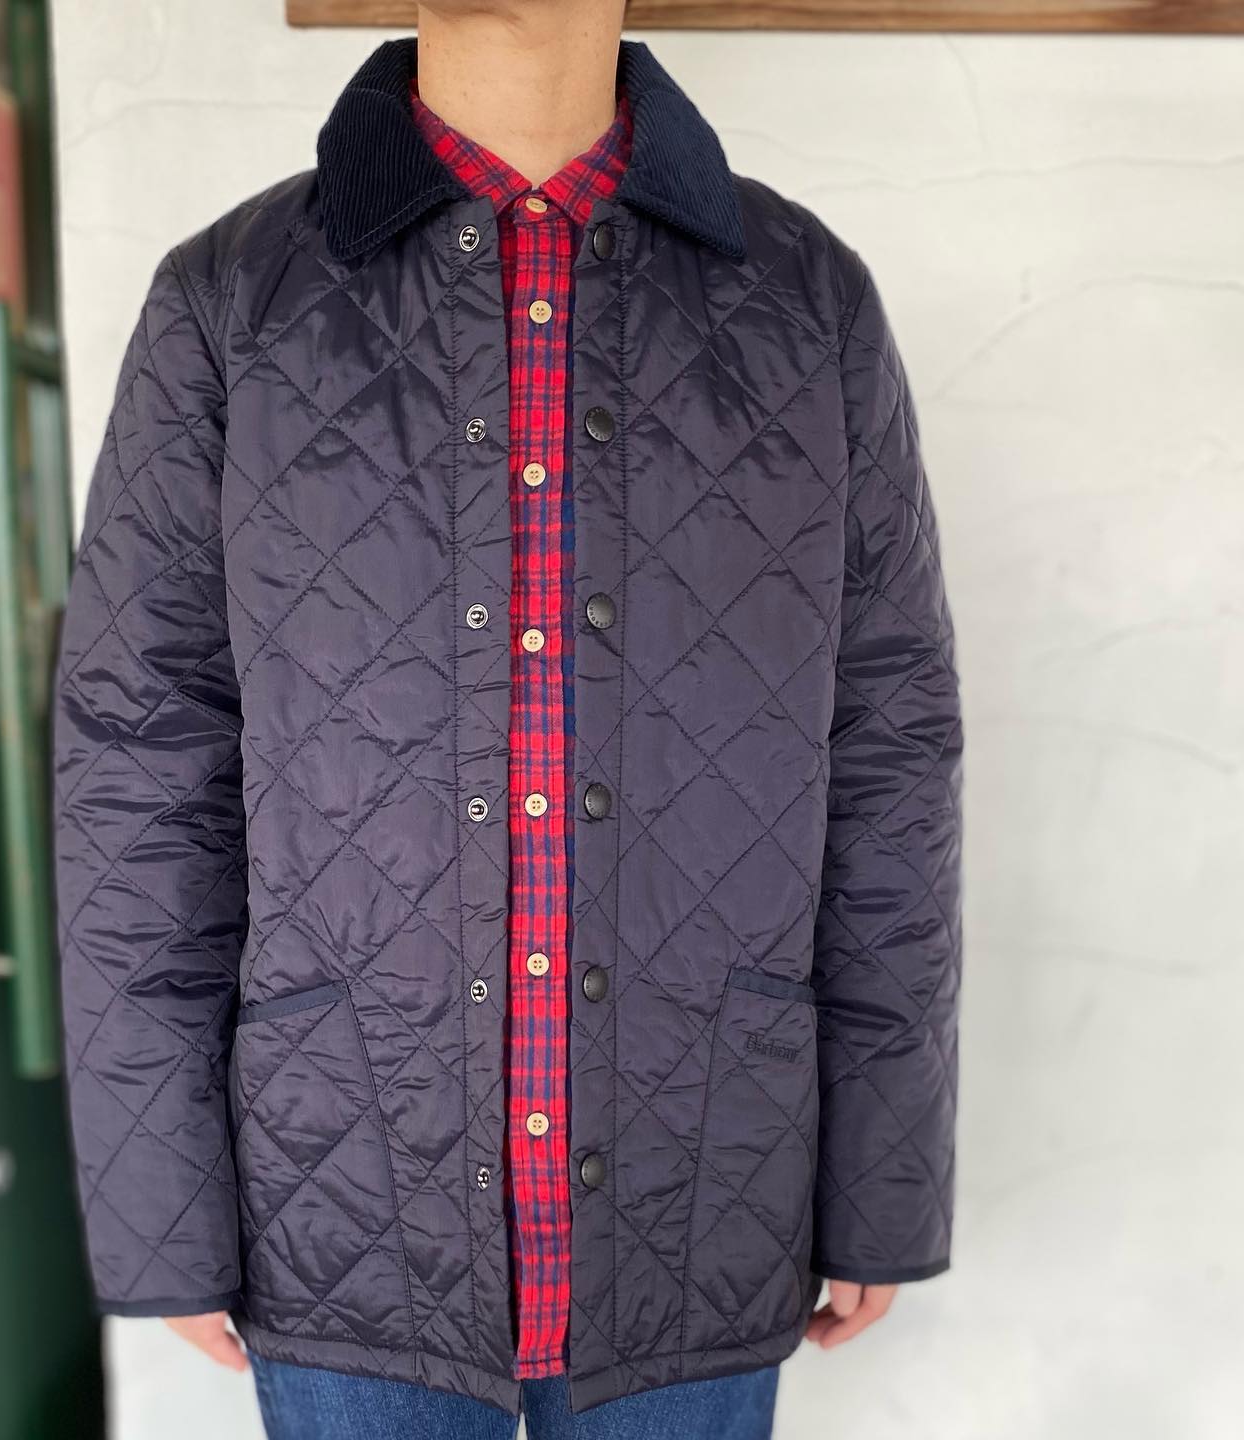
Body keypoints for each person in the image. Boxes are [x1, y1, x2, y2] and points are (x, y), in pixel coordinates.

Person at [52, 2, 963, 1436]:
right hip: (342, 1198)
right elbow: (139, 765)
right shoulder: (232, 300)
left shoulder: (806, 301)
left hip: (703, 1178)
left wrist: (883, 1175)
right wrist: (161, 1201)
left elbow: (890, 755)